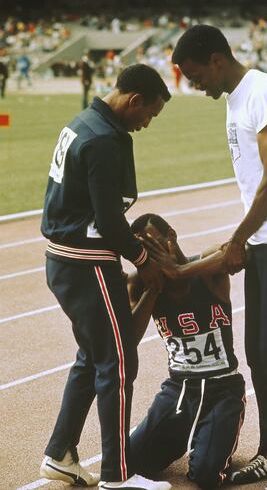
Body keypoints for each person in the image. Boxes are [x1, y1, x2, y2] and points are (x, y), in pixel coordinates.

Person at [172, 25, 267, 490]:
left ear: (217, 60)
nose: (196, 86)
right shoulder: (236, 99)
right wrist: (245, 239)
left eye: (196, 76)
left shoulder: (262, 92)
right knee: (260, 356)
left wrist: (237, 239)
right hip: (264, 238)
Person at [39, 64, 172, 490]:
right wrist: (143, 260)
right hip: (86, 262)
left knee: (91, 357)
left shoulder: (85, 121)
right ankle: (118, 477)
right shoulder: (102, 141)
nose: (147, 124)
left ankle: (60, 454)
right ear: (134, 101)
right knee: (118, 362)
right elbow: (110, 220)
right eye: (149, 114)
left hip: (65, 259)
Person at [127, 213, 246, 490]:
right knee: (128, 461)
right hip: (178, 389)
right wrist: (154, 289)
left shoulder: (206, 269)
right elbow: (128, 339)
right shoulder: (140, 284)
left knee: (205, 475)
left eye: (156, 245)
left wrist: (178, 270)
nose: (152, 257)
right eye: (144, 254)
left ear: (172, 234)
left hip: (222, 388)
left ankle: (214, 436)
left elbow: (234, 253)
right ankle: (179, 435)